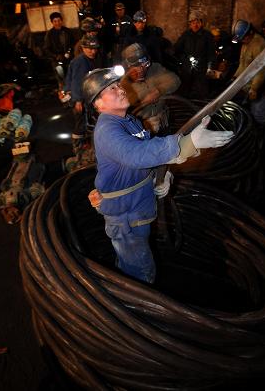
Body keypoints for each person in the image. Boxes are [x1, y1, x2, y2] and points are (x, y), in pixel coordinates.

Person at [82, 67, 234, 284]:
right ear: (99, 104)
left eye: (119, 85)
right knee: (140, 275)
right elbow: (136, 155)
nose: (121, 90)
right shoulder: (107, 129)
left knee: (131, 265)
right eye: (112, 89)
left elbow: (146, 156)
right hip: (125, 216)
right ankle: (135, 311)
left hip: (137, 206)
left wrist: (158, 176)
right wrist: (188, 143)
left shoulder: (129, 122)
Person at [120, 43, 181, 135]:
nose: (141, 69)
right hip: (143, 125)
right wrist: (143, 101)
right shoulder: (123, 85)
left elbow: (175, 80)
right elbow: (124, 110)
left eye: (145, 65)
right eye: (136, 66)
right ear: (128, 66)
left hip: (162, 118)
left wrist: (159, 91)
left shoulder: (155, 69)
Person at [63, 35, 100, 169]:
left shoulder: (88, 60)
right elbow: (77, 82)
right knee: (81, 125)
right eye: (89, 48)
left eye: (94, 48)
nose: (92, 51)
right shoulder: (81, 62)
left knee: (86, 123)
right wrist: (78, 100)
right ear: (83, 48)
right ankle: (79, 152)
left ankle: (85, 148)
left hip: (85, 98)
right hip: (80, 99)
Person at [231, 19, 265, 127]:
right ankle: (251, 132)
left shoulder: (259, 44)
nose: (242, 41)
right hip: (248, 86)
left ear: (250, 33)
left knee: (258, 115)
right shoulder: (246, 43)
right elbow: (243, 64)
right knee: (244, 111)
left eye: (243, 38)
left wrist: (254, 88)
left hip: (262, 86)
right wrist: (235, 77)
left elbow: (262, 69)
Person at [174, 10, 216, 99]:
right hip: (187, 70)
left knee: (202, 94)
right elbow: (177, 49)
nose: (195, 25)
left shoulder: (207, 36)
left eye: (198, 22)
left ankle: (203, 111)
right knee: (185, 93)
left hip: (201, 70)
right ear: (190, 24)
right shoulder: (185, 35)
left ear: (201, 23)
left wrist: (210, 67)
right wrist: (183, 61)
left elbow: (211, 53)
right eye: (193, 22)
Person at [43, 11, 75, 89]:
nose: (57, 23)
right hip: (57, 61)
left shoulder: (68, 31)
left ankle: (73, 93)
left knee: (71, 76)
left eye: (59, 20)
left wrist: (69, 52)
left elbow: (73, 43)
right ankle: (63, 94)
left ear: (62, 20)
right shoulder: (49, 34)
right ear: (52, 22)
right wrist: (56, 56)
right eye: (55, 21)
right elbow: (46, 48)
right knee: (61, 78)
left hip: (68, 59)